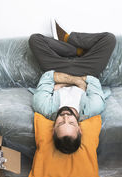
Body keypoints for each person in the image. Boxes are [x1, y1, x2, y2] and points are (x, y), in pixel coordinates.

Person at [28, 19, 116, 154]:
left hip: (56, 66)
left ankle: (72, 46)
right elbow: (93, 81)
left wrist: (78, 84)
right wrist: (62, 83)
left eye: (60, 123)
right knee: (109, 39)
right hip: (87, 69)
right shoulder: (94, 107)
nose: (65, 117)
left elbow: (47, 77)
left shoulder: (43, 107)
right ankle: (74, 45)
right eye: (72, 123)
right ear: (80, 129)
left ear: (53, 130)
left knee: (35, 40)